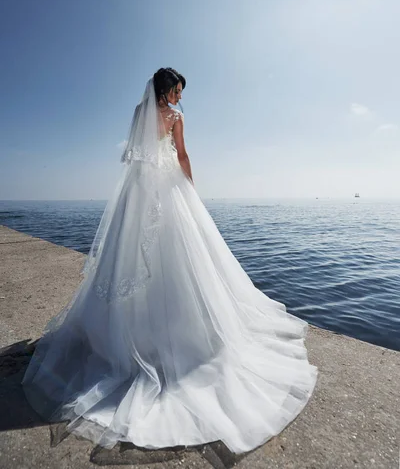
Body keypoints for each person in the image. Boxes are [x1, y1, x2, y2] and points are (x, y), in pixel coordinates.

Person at [22, 68, 318, 454]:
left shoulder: (138, 111)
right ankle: (183, 339)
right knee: (181, 263)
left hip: (139, 192)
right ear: (170, 88)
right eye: (179, 88)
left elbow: (132, 154)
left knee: (128, 261)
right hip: (168, 193)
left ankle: (119, 337)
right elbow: (181, 154)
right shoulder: (176, 117)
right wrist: (191, 190)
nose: (181, 96)